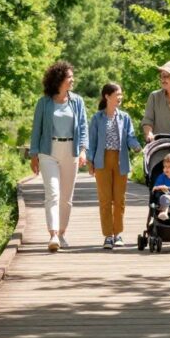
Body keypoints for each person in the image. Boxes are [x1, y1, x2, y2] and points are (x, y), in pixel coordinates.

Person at [29, 61, 88, 252]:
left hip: (70, 150)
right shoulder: (44, 103)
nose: (72, 80)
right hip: (49, 150)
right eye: (69, 77)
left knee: (66, 197)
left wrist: (82, 150)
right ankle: (53, 234)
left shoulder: (77, 101)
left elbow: (84, 128)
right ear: (59, 79)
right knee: (52, 194)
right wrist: (34, 155)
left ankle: (62, 233)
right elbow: (36, 129)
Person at [88, 83, 142, 250]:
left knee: (119, 200)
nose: (120, 97)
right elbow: (92, 141)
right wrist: (90, 162)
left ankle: (118, 233)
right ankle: (108, 236)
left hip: (121, 160)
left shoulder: (124, 117)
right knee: (105, 200)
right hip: (102, 161)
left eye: (121, 94)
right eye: (117, 94)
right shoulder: (97, 118)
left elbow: (130, 137)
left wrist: (137, 146)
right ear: (107, 96)